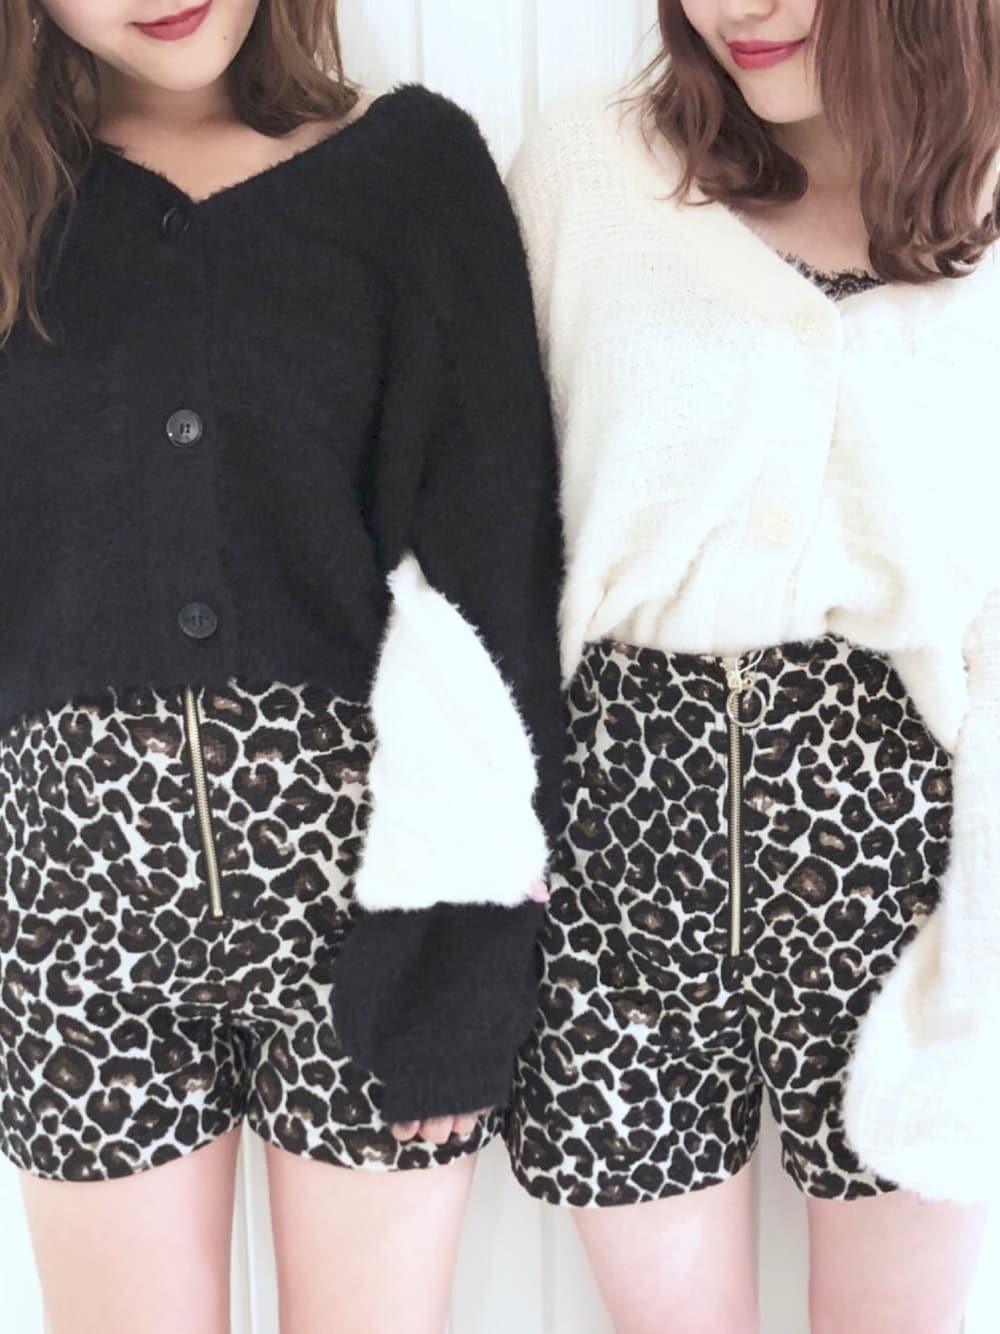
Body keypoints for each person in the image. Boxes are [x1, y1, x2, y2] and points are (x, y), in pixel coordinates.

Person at [0, 2, 563, 1331]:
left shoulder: (411, 172)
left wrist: (467, 957)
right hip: (77, 905)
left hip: (372, 895)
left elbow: (496, 574)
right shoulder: (20, 205)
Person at [504, 1, 1000, 1330]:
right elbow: (486, 512)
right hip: (622, 836)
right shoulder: (592, 169)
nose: (740, 10)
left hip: (904, 846)